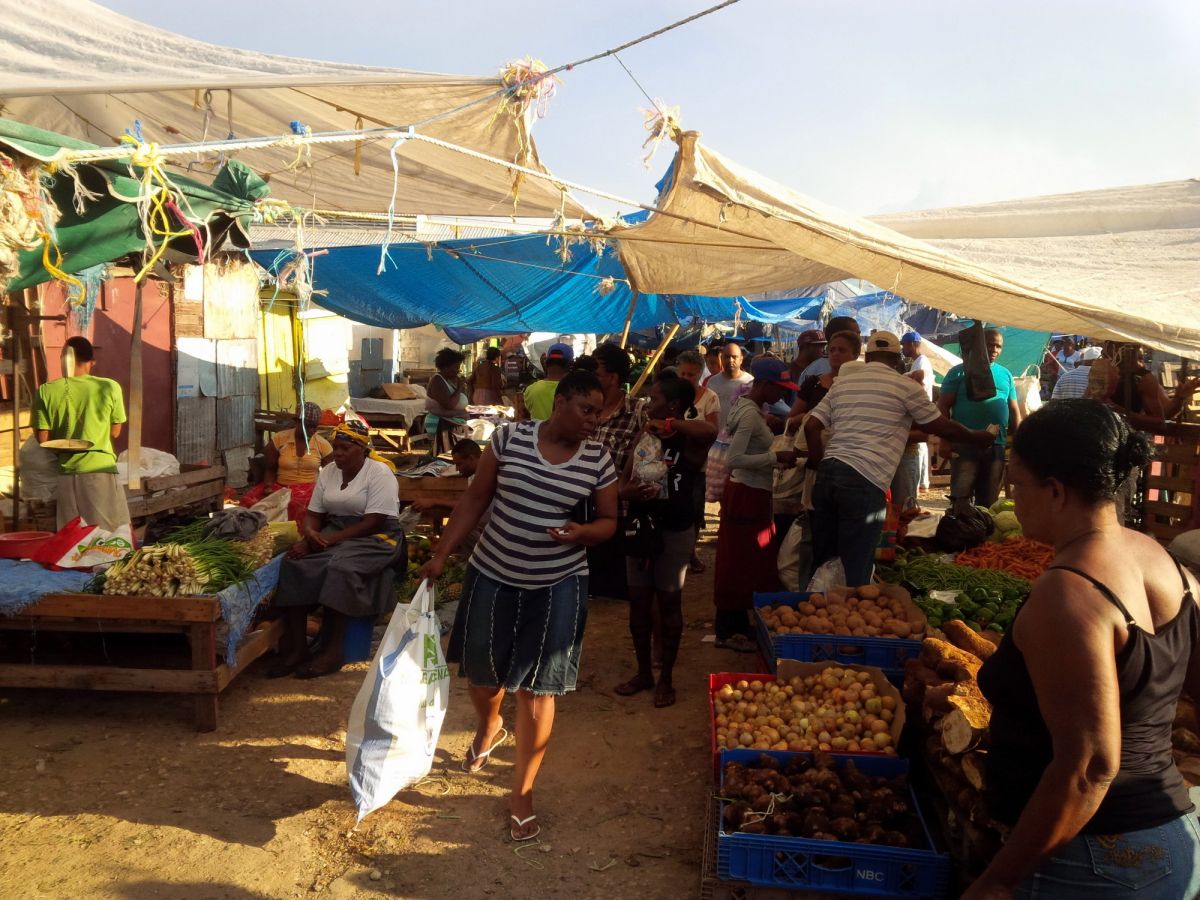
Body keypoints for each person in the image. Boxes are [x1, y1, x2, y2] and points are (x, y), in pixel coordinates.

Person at [967, 400, 1200, 900]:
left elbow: (1093, 764)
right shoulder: (1164, 561)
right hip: (1164, 839)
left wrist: (997, 881)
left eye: (1017, 484)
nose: (1012, 496)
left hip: (1091, 860)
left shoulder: (1067, 593)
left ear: (1054, 491)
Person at [418, 371, 618, 843]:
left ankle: (521, 794)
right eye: (586, 409)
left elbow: (609, 521)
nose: (595, 419)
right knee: (484, 676)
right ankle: (490, 727)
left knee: (538, 688)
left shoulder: (598, 459)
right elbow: (475, 498)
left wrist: (582, 533)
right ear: (561, 402)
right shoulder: (509, 438)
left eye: (599, 411)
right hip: (493, 571)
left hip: (559, 581)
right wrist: (441, 553)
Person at [805, 332, 996, 586]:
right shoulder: (904, 386)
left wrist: (820, 464)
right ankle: (849, 615)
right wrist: (980, 436)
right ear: (897, 360)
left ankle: (814, 614)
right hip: (864, 478)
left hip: (829, 474)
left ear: (868, 357)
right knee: (856, 566)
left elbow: (811, 427)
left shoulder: (842, 384)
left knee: (825, 561)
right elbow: (943, 428)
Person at [271, 421, 405, 678]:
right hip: (334, 531)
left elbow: (374, 520)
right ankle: (299, 648)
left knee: (340, 567)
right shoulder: (328, 472)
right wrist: (310, 534)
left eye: (345, 448)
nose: (338, 453)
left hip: (376, 537)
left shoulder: (379, 473)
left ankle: (333, 651)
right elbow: (314, 514)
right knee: (293, 563)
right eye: (336, 447)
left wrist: (331, 540)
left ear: (362, 449)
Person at [614, 375, 716, 707]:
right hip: (641, 527)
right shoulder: (645, 436)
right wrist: (627, 492)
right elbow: (624, 480)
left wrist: (670, 424)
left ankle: (666, 679)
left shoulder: (689, 440)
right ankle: (644, 672)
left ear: (672, 405)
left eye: (654, 397)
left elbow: (710, 432)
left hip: (675, 529)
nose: (647, 402)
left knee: (670, 604)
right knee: (639, 605)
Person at [714, 358, 799, 651]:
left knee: (744, 559)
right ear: (762, 385)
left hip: (751, 491)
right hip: (748, 492)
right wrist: (776, 458)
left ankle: (736, 623)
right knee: (741, 559)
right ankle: (728, 628)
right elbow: (735, 459)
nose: (782, 395)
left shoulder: (750, 409)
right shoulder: (750, 415)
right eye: (779, 388)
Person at [34, 336, 130, 530]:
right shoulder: (110, 387)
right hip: (100, 471)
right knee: (107, 536)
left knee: (72, 540)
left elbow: (42, 439)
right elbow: (116, 431)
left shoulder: (45, 391)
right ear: (91, 362)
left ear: (63, 359)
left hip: (66, 475)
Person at [937, 328, 1022, 514]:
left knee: (988, 502)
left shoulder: (1006, 374)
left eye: (998, 346)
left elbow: (1015, 411)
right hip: (964, 444)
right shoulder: (958, 373)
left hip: (996, 446)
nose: (994, 350)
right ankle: (960, 537)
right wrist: (944, 440)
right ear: (979, 345)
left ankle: (983, 540)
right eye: (990, 345)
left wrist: (1019, 445)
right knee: (961, 498)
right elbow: (942, 406)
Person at [588, 343, 647, 600]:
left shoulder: (639, 413)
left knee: (613, 594)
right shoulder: (584, 410)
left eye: (596, 373)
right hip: (582, 514)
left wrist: (623, 485)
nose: (590, 378)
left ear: (612, 378)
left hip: (619, 517)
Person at [240, 402, 332, 523]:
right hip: (281, 486)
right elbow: (270, 468)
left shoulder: (322, 444)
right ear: (297, 421)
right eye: (308, 426)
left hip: (309, 488)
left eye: (315, 427)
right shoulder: (280, 439)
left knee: (297, 506)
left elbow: (331, 474)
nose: (312, 430)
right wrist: (268, 487)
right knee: (249, 502)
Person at [676, 349, 721, 572]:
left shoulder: (710, 397)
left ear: (699, 374)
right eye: (682, 374)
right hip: (671, 464)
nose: (685, 378)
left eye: (691, 375)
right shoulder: (670, 395)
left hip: (696, 465)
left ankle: (690, 552)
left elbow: (713, 430)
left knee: (694, 510)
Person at [785, 331, 862, 432]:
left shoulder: (861, 385)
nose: (835, 353)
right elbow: (788, 421)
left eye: (841, 350)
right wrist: (806, 417)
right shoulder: (813, 383)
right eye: (832, 350)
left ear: (855, 355)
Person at [424, 348, 470, 454]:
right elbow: (449, 405)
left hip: (449, 422)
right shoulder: (437, 380)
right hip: (440, 424)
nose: (458, 370)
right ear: (446, 366)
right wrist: (459, 387)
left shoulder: (447, 380)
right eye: (456, 367)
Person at [707, 343, 755, 435]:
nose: (730, 360)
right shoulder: (712, 382)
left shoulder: (750, 382)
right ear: (721, 359)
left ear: (741, 359)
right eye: (727, 357)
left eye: (734, 357)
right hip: (716, 439)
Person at [798, 316, 861, 383]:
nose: (859, 338)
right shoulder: (837, 371)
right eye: (856, 334)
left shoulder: (811, 368)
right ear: (840, 335)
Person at [522, 342, 573, 421]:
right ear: (570, 364)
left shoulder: (531, 390)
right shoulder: (574, 391)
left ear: (546, 363)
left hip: (538, 433)